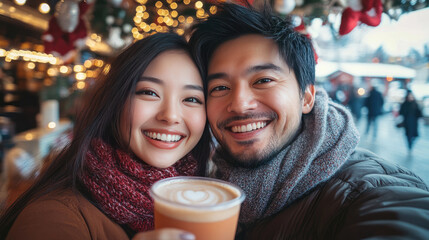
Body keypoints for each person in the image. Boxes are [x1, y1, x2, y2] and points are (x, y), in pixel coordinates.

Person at [187, 2, 429, 239]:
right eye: (219, 87)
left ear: (306, 97)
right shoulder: (207, 182)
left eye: (263, 80)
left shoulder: (364, 193)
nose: (239, 104)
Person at [0, 33, 211, 240]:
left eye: (192, 98)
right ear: (115, 101)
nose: (171, 116)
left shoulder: (210, 200)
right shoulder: (55, 217)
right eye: (149, 92)